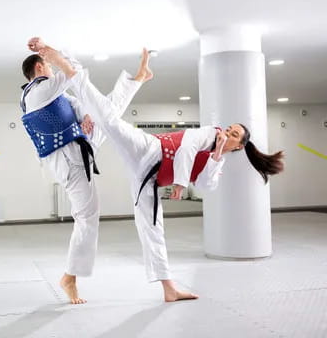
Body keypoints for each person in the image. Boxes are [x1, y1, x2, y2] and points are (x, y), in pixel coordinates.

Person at [29, 38, 284, 302]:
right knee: (108, 118)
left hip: (148, 178)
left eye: (234, 135)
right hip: (149, 150)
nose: (227, 133)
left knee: (152, 228)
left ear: (238, 146)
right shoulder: (211, 133)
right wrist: (182, 182)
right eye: (230, 129)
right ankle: (77, 67)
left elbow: (208, 185)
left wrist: (217, 156)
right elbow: (185, 147)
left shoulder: (218, 157)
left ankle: (168, 288)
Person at [20, 41, 153, 304]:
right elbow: (73, 74)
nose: (50, 65)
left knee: (106, 115)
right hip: (69, 160)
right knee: (87, 217)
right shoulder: (36, 93)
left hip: (80, 143)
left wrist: (86, 115)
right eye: (46, 62)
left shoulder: (54, 94)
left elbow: (78, 102)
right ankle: (70, 277)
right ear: (39, 66)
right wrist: (53, 53)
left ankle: (137, 79)